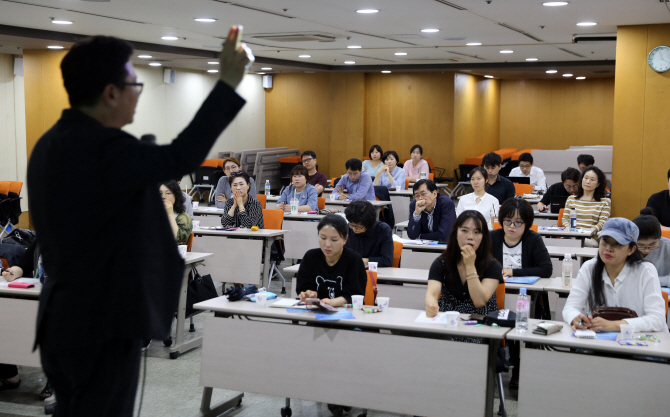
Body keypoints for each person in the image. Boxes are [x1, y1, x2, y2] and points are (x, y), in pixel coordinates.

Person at [26, 27, 249, 416]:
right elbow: (180, 156)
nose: (136, 95)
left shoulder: (49, 144)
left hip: (62, 318)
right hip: (102, 323)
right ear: (111, 92)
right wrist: (228, 81)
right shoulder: (103, 147)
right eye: (135, 85)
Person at [563, 218, 668, 333]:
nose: (608, 248)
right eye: (605, 241)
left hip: (643, 343)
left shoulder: (645, 270)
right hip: (603, 342)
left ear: (631, 250)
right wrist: (576, 317)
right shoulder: (589, 268)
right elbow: (570, 307)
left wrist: (615, 325)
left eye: (618, 244)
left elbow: (657, 319)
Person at [490, 198, 552, 388]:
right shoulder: (492, 237)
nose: (512, 227)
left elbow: (546, 269)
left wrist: (513, 272)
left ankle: (519, 367)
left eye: (518, 222)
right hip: (494, 292)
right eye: (508, 221)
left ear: (527, 223)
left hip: (524, 295)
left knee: (519, 324)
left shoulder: (533, 239)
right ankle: (493, 360)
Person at [424, 211, 503, 343]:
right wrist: (431, 305)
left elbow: (479, 301)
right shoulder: (442, 262)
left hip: (480, 325)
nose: (470, 237)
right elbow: (432, 292)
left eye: (477, 232)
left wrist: (470, 266)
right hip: (447, 324)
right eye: (464, 231)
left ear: (483, 237)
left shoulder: (492, 265)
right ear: (456, 233)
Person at [0, 240, 52, 399]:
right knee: (5, 317)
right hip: (35, 297)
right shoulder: (40, 241)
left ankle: (56, 380)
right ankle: (9, 375)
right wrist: (12, 272)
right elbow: (23, 266)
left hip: (58, 301)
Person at [296, 214, 367, 306]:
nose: (327, 244)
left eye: (334, 240)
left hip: (348, 315)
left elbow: (355, 294)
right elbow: (303, 287)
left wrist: (331, 302)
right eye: (323, 238)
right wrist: (309, 294)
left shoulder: (354, 259)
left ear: (345, 239)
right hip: (316, 314)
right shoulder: (310, 257)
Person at [562, 166, 611, 246]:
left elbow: (602, 222)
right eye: (585, 178)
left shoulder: (604, 202)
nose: (587, 182)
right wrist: (571, 231)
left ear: (598, 183)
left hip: (590, 237)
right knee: (562, 242)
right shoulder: (571, 199)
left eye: (592, 179)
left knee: (579, 243)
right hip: (571, 235)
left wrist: (589, 232)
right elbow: (565, 219)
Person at [344, 200, 394, 268]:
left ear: (369, 224)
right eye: (351, 225)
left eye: (358, 227)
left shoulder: (383, 230)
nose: (354, 229)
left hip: (376, 272)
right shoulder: (346, 229)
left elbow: (387, 260)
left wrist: (361, 261)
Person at [633, 208, 670, 287]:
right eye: (641, 245)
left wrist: (648, 281)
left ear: (659, 238)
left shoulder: (668, 246)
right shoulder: (627, 248)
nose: (646, 249)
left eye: (652, 244)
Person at [160, 180, 193, 245]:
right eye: (160, 193)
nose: (163, 197)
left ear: (176, 196)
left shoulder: (183, 217)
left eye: (168, 193)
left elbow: (177, 240)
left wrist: (170, 214)